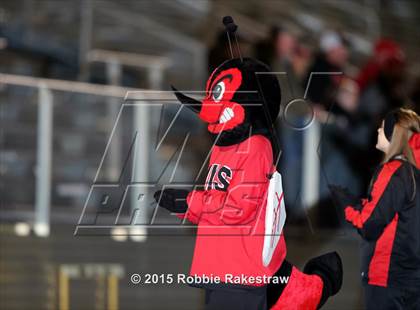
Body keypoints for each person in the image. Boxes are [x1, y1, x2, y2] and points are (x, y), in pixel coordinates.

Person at [330, 108, 420, 309]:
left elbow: (368, 225)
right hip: (412, 277)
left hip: (388, 277)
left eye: (382, 127)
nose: (378, 131)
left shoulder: (393, 172)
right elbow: (396, 212)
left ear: (392, 135)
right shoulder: (413, 172)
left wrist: (347, 205)